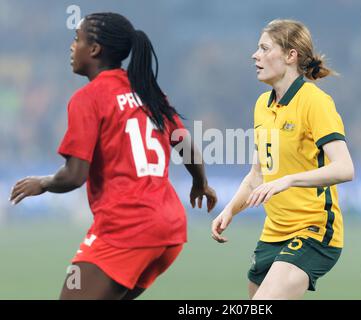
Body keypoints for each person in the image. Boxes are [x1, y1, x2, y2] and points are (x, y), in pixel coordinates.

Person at [9, 12, 217, 300]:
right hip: (169, 229)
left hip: (127, 227)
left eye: (77, 39)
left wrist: (43, 183)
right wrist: (200, 183)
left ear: (94, 50)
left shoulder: (89, 98)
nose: (72, 47)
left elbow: (75, 175)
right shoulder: (148, 91)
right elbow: (184, 143)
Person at [211, 19, 354, 300]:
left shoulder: (314, 101)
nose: (255, 55)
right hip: (273, 234)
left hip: (314, 231)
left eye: (264, 48)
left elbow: (345, 168)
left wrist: (289, 181)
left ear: (291, 56)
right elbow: (258, 175)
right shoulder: (262, 105)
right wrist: (230, 210)